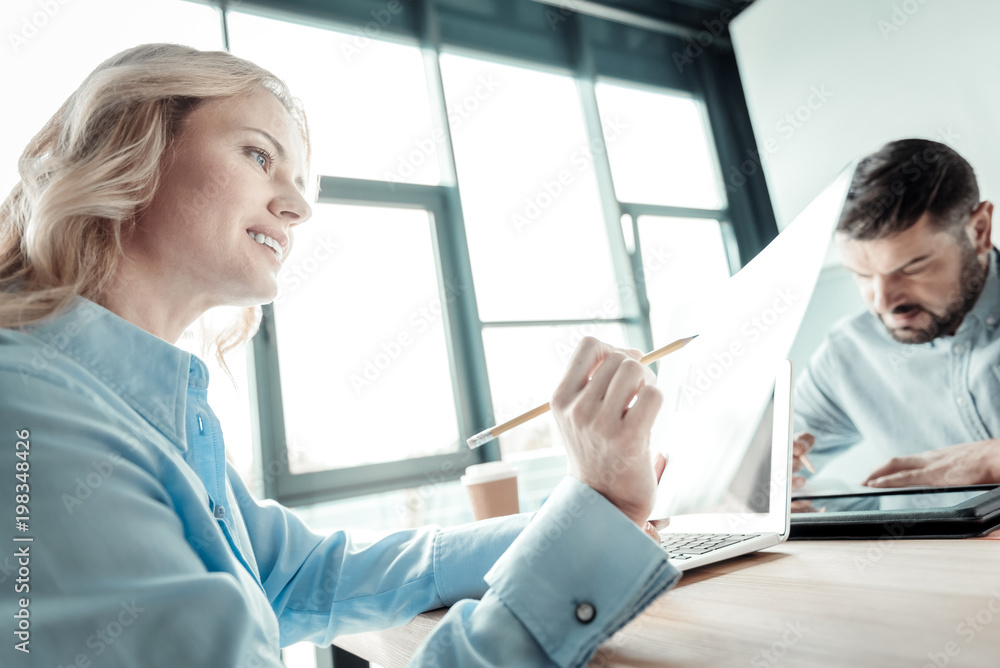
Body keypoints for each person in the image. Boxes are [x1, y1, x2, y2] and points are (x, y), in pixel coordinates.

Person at [0, 44, 678, 667]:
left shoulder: (146, 407)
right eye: (259, 157)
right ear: (128, 149)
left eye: (299, 179)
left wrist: (588, 519)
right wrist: (579, 560)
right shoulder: (34, 412)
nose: (297, 206)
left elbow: (304, 575)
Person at [792, 139, 1000, 496]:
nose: (884, 301)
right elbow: (758, 476)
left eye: (912, 267)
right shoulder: (848, 353)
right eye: (862, 274)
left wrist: (992, 459)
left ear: (979, 230)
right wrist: (763, 489)